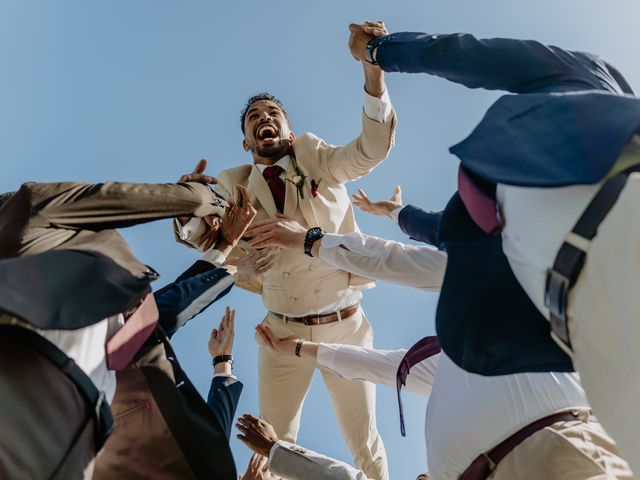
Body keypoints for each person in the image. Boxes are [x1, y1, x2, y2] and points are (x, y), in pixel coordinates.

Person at [345, 22, 640, 471]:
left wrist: (380, 52)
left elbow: (468, 55)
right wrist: (396, 215)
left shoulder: (587, 83)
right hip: (590, 335)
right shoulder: (489, 222)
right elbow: (443, 229)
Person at [245, 195, 632, 479]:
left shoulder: (519, 283)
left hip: (559, 454)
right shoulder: (446, 360)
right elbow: (378, 364)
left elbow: (394, 258)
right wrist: (295, 347)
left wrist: (311, 240)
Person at [174, 25, 398, 479]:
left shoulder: (315, 156)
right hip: (280, 334)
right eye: (254, 116)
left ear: (289, 130)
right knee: (271, 444)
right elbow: (203, 232)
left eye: (272, 111)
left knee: (366, 441)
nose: (263, 118)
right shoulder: (235, 181)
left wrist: (372, 74)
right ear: (246, 141)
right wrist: (186, 206)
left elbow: (367, 150)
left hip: (346, 328)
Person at [0, 177, 252, 479]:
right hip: (29, 394)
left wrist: (223, 250)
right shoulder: (30, 206)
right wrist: (206, 198)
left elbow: (155, 315)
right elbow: (140, 197)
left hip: (80, 445)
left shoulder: (97, 296)